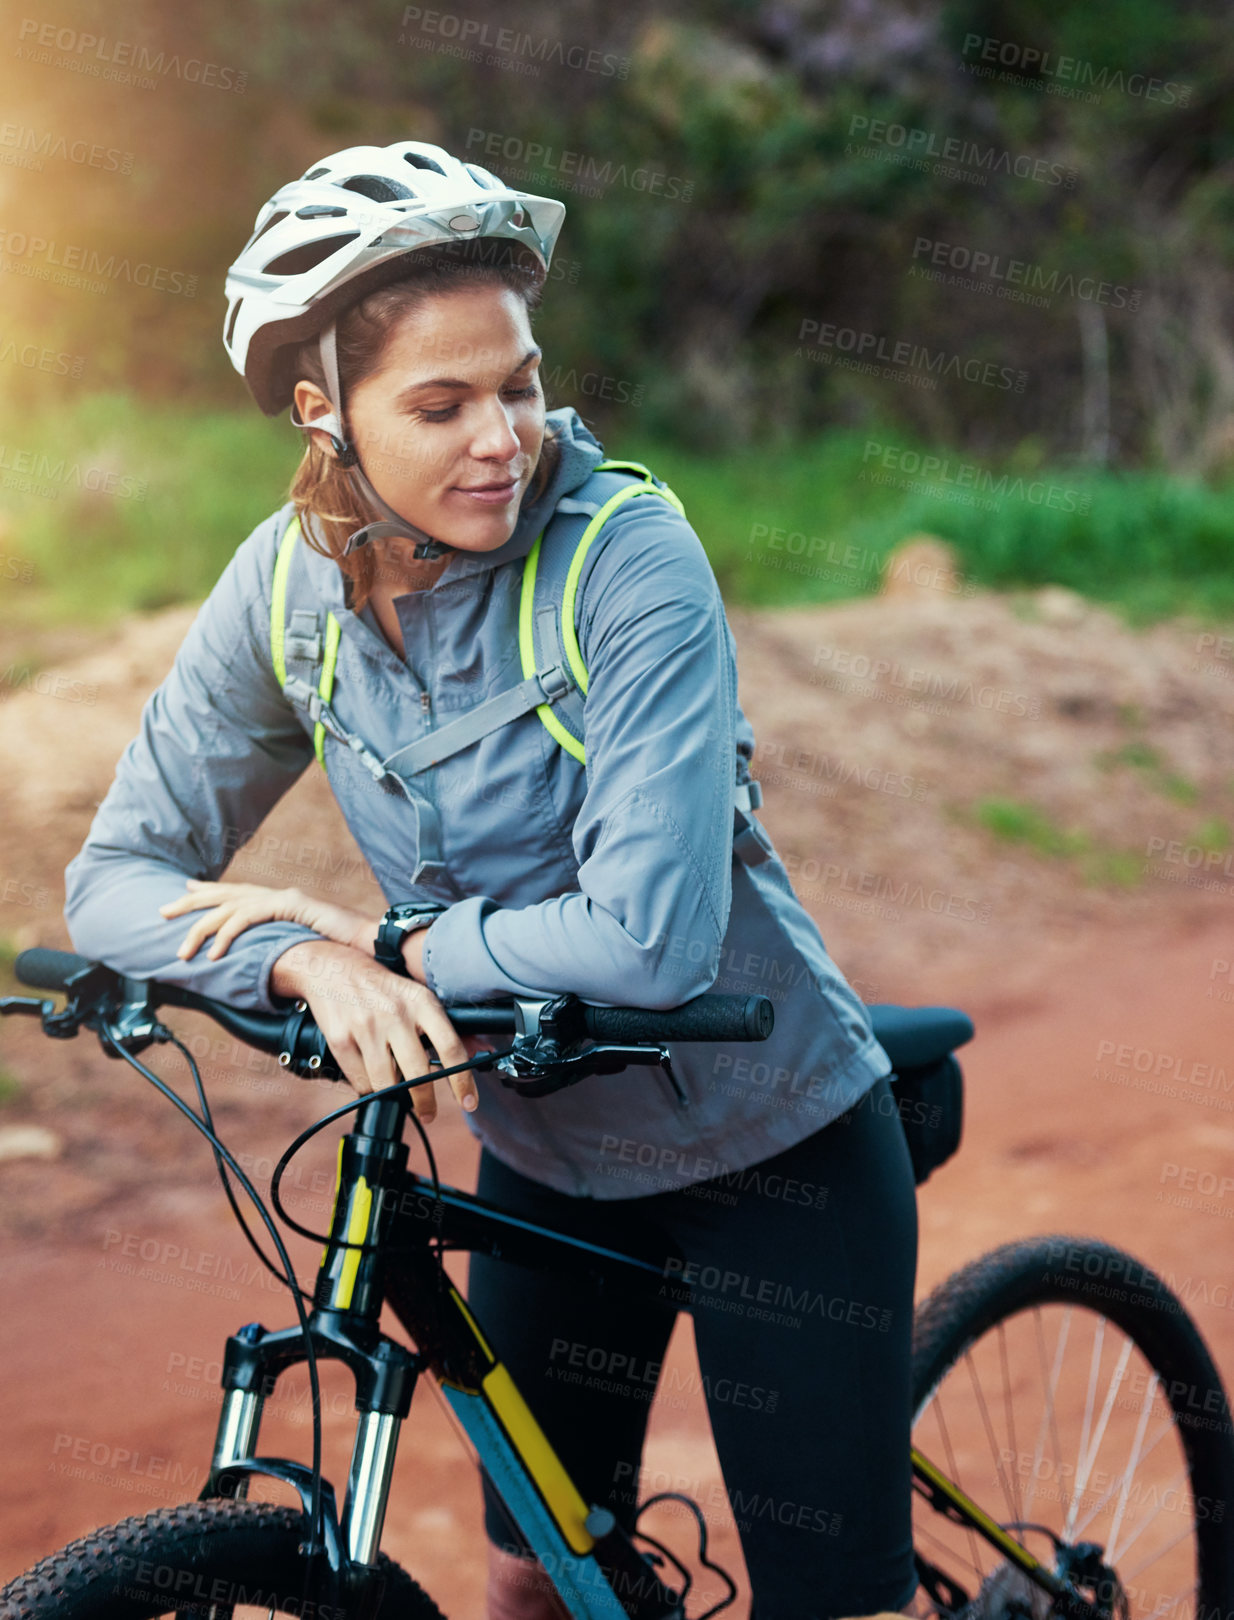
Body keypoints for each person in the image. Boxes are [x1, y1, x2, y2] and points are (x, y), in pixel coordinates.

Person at [63, 141, 920, 1620]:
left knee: (827, 1606)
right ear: (324, 414)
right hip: (552, 1159)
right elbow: (115, 882)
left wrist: (394, 946)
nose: (502, 438)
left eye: (518, 385)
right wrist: (302, 964)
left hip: (773, 1145)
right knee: (535, 1580)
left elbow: (651, 943)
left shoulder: (623, 556)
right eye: (441, 404)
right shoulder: (283, 587)